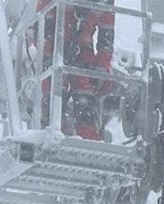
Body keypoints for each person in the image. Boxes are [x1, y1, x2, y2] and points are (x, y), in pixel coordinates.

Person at [36, 0, 115, 140]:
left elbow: (106, 38)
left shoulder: (104, 4)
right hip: (55, 50)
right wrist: (48, 57)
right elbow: (44, 27)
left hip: (82, 55)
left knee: (85, 99)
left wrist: (102, 68)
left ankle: (89, 143)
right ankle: (51, 135)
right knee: (53, 95)